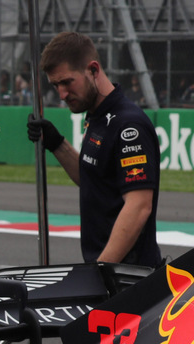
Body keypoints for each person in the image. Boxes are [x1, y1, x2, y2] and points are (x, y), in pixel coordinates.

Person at [26, 31, 161, 267]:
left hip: (130, 276)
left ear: (94, 70)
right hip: (111, 270)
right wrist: (57, 143)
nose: (62, 94)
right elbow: (94, 179)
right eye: (55, 85)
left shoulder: (128, 125)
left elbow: (139, 206)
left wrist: (99, 270)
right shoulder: (98, 117)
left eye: (67, 82)